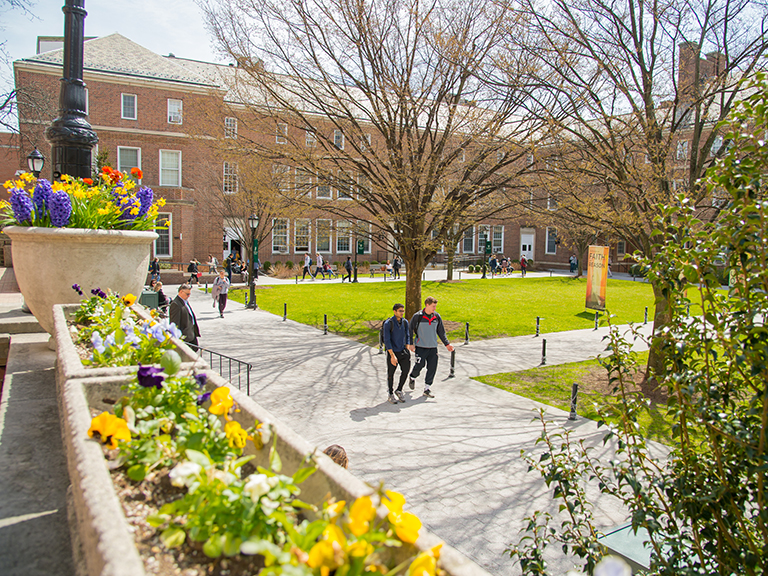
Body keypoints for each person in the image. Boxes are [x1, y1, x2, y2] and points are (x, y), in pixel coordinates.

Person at [408, 296, 454, 398]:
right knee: (420, 365)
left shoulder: (436, 317)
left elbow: (441, 332)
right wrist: (410, 343)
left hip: (433, 347)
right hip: (421, 346)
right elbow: (410, 330)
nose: (435, 308)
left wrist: (447, 344)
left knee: (432, 367)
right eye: (433, 306)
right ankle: (412, 376)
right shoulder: (417, 316)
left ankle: (427, 388)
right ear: (427, 305)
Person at [383, 303, 412, 404]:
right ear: (394, 311)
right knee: (391, 374)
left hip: (403, 351)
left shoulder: (405, 322)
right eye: (400, 311)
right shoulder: (388, 323)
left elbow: (408, 335)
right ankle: (390, 393)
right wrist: (392, 355)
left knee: (406, 370)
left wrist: (407, 346)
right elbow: (387, 340)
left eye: (403, 311)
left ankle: (399, 390)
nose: (402, 313)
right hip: (393, 352)